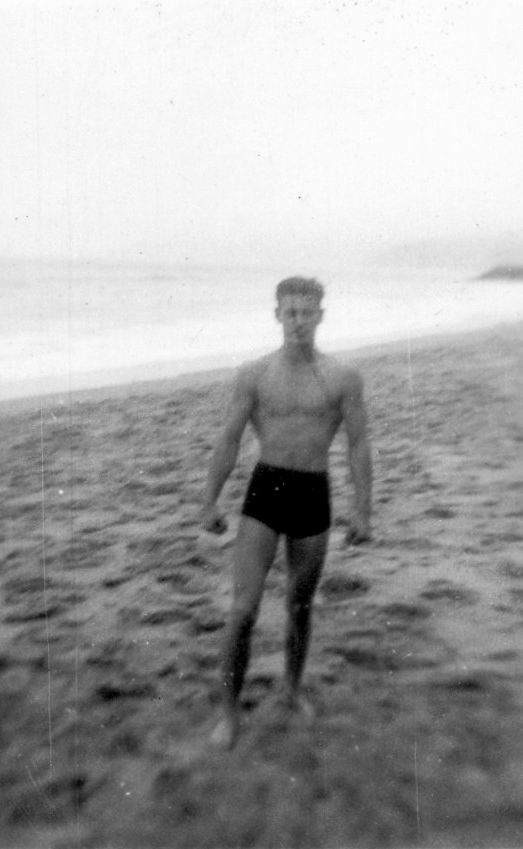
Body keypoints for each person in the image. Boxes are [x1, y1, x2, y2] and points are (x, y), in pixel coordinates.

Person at [201, 276, 372, 749]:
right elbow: (230, 438)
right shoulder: (254, 375)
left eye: (307, 311)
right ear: (277, 315)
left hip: (313, 492)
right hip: (265, 492)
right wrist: (209, 499)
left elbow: (358, 445)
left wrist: (364, 511)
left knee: (299, 606)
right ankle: (230, 714)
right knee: (242, 609)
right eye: (290, 311)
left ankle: (291, 691)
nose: (298, 320)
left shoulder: (343, 378)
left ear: (321, 315)